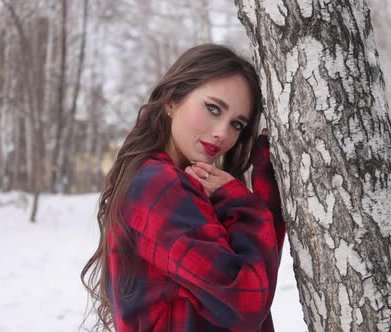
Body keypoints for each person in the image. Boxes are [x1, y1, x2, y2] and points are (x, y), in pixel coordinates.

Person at [81, 44, 286, 332]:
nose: (223, 133)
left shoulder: (167, 181)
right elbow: (244, 304)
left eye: (237, 124)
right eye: (213, 109)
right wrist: (243, 206)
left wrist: (266, 189)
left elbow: (257, 278)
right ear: (171, 100)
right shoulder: (158, 186)